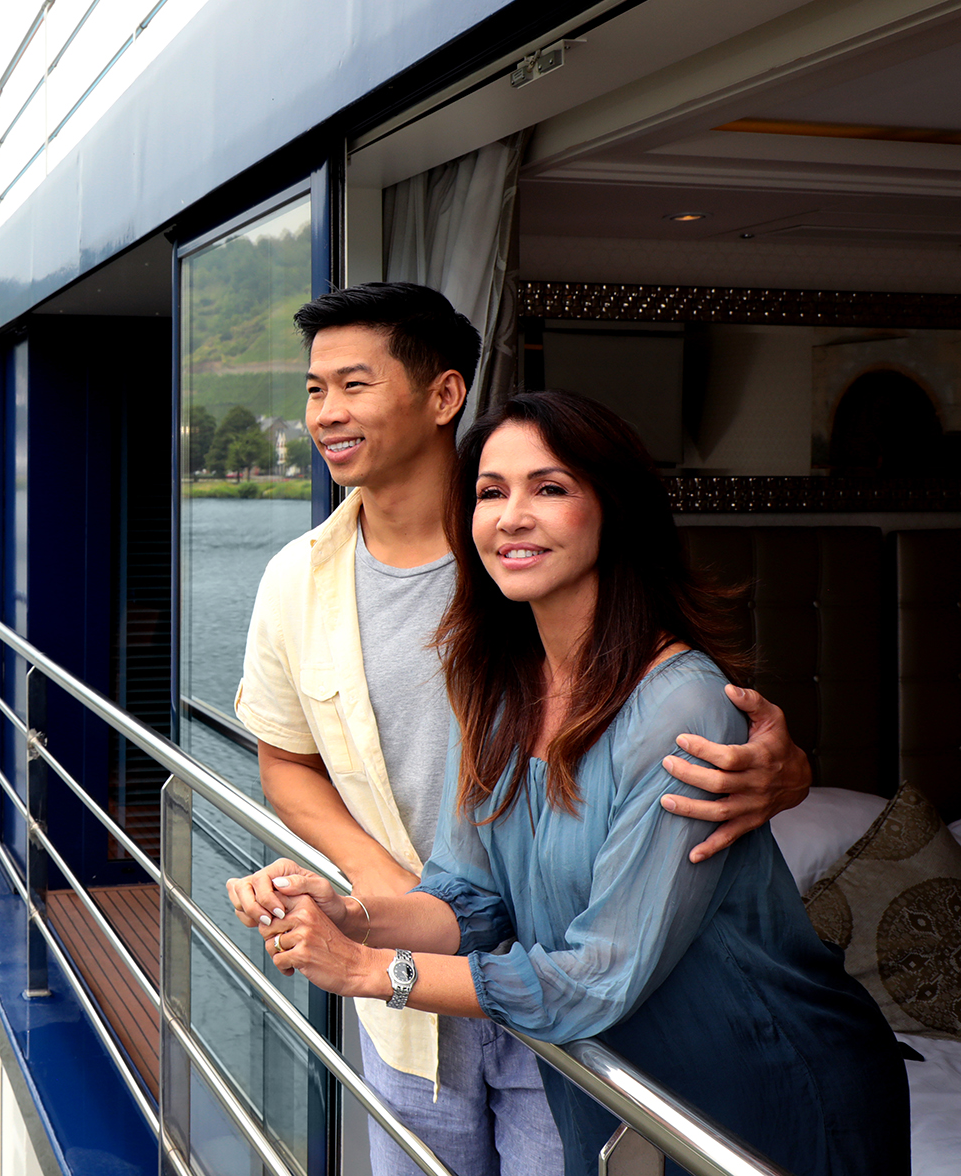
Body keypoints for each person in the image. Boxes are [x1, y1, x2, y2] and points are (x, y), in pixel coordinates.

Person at [240, 390, 909, 1175]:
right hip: (623, 1089)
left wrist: (367, 972)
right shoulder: (497, 690)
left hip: (774, 1084)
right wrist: (352, 914)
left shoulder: (682, 703)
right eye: (492, 492)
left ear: (612, 511)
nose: (512, 515)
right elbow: (469, 899)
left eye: (549, 488)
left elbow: (600, 974)